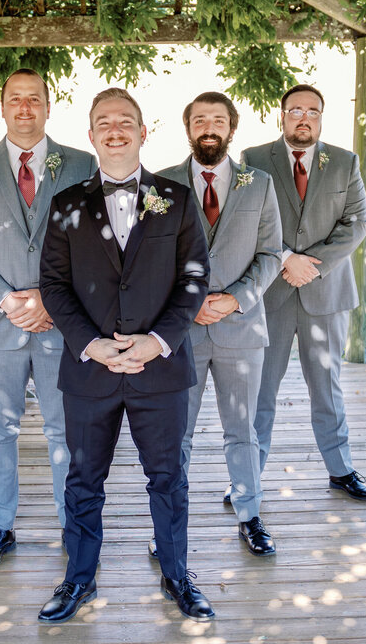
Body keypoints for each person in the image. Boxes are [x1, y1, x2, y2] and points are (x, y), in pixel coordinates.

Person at [36, 87, 215, 624]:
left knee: (168, 477)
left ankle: (178, 575)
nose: (115, 130)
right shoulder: (66, 204)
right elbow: (54, 284)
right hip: (90, 371)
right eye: (104, 123)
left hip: (158, 369)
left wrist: (156, 341)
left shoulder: (176, 199)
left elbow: (193, 279)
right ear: (91, 136)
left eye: (126, 121)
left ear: (143, 131)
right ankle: (78, 579)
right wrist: (90, 345)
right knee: (84, 479)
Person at [0, 69, 97, 570]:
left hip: (63, 324)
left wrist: (53, 300)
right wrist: (7, 300)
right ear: (2, 107)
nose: (25, 107)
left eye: (35, 99)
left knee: (66, 431)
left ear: (49, 107)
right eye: (16, 99)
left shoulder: (81, 163)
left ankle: (71, 525)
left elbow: (96, 242)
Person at [158, 91, 283, 556]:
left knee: (243, 429)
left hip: (241, 327)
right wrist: (188, 305)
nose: (208, 128)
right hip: (178, 332)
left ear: (232, 127)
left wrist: (235, 299)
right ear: (188, 127)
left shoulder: (261, 183)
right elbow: (148, 257)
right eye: (199, 120)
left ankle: (250, 516)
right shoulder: (161, 184)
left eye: (218, 120)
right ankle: (169, 524)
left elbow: (271, 254)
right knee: (176, 433)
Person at [242, 83, 366, 501]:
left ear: (321, 116)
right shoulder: (253, 160)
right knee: (260, 389)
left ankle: (340, 470)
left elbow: (356, 224)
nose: (304, 117)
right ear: (281, 115)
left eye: (313, 111)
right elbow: (247, 221)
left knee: (327, 386)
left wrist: (311, 265)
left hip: (326, 292)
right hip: (272, 293)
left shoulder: (344, 162)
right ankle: (248, 478)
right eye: (295, 110)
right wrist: (286, 258)